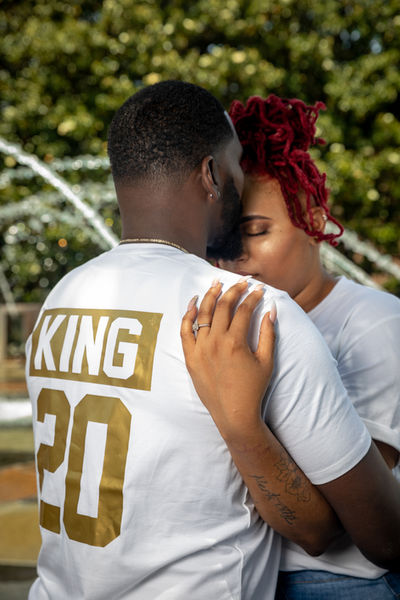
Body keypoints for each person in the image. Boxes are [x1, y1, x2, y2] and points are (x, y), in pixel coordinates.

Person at [25, 80, 398, 600]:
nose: (239, 181)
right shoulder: (253, 312)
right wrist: (242, 423)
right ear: (211, 173)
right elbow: (364, 535)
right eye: (236, 166)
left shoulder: (64, 296)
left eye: (258, 230)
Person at [200, 93, 400, 597]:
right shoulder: (230, 325)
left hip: (338, 582)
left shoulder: (373, 324)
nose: (235, 256)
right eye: (222, 240)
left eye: (255, 231)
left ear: (312, 218)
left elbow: (351, 520)